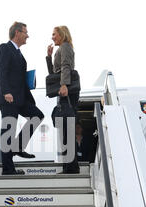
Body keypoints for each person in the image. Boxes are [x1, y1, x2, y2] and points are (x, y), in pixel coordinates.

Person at [0, 22, 44, 175]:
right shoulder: (4, 48)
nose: (28, 35)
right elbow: (0, 71)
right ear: (17, 33)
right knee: (8, 130)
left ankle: (18, 146)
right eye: (25, 32)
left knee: (37, 115)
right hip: (8, 98)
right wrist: (6, 91)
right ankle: (8, 169)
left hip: (21, 98)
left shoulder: (20, 54)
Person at [46, 25, 80, 173]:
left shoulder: (65, 46)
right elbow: (54, 74)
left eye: (54, 34)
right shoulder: (60, 49)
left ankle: (71, 167)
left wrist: (64, 85)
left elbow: (66, 66)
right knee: (64, 129)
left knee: (67, 129)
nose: (52, 37)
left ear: (62, 34)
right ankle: (68, 166)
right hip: (62, 91)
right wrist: (49, 56)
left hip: (66, 92)